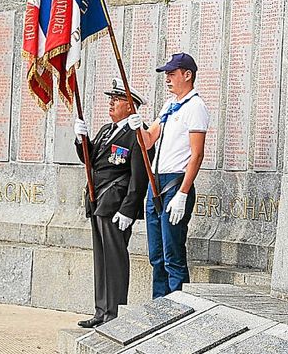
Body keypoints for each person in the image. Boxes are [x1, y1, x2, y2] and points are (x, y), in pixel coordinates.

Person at [128, 52, 209, 298]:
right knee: (157, 255)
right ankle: (159, 305)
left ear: (188, 75)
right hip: (156, 182)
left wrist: (183, 193)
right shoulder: (169, 105)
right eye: (167, 74)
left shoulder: (195, 107)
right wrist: (137, 126)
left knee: (173, 254)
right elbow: (149, 140)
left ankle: (178, 308)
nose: (168, 79)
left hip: (175, 183)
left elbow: (197, 155)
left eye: (172, 74)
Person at [72, 78, 151, 328]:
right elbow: (92, 160)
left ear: (131, 105)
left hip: (116, 203)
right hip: (98, 201)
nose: (111, 103)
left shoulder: (137, 132)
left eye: (117, 100)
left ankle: (114, 313)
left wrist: (129, 210)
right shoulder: (108, 129)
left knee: (115, 259)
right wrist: (81, 140)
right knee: (102, 259)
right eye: (111, 99)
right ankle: (101, 311)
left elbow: (139, 176)